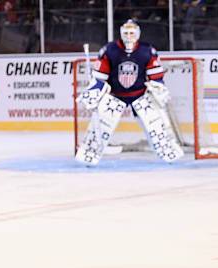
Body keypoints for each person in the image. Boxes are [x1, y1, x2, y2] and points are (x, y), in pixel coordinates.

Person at [76, 19, 183, 166]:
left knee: (157, 125)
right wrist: (94, 92)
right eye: (126, 32)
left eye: (132, 32)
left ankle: (169, 152)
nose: (129, 35)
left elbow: (156, 76)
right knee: (100, 126)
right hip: (115, 96)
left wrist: (159, 89)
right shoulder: (110, 49)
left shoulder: (147, 50)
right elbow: (100, 77)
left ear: (138, 33)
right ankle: (89, 154)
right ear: (121, 33)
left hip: (140, 95)